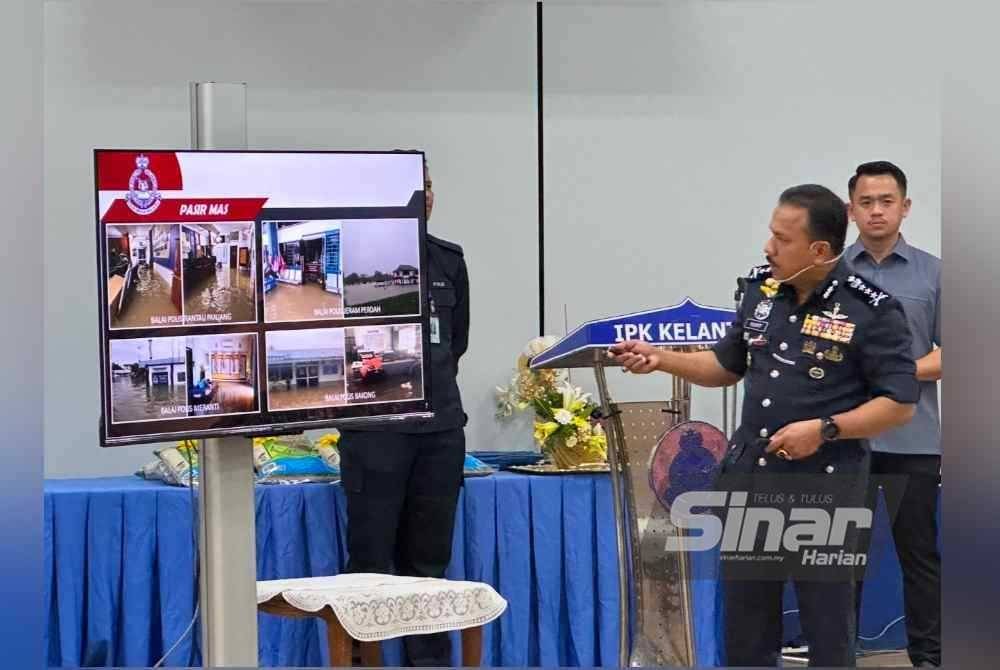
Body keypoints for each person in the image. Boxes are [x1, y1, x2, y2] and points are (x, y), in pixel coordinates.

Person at [608, 184, 919, 667]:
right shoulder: (761, 290)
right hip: (751, 481)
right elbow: (726, 367)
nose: (768, 248)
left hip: (826, 491)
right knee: (747, 628)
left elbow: (899, 404)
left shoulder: (871, 309)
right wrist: (660, 358)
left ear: (818, 250)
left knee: (828, 628)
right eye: (770, 234)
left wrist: (824, 429)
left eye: (781, 238)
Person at [337, 156, 470, 667]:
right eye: (415, 188)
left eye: (431, 185)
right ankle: (360, 661)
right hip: (376, 432)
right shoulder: (350, 261)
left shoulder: (448, 260)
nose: (427, 195)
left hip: (439, 432)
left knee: (428, 565)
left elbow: (454, 344)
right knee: (370, 563)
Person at [846, 161, 941, 667]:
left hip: (915, 440)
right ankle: (838, 652)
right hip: (845, 441)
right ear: (850, 210)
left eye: (887, 201)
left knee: (920, 557)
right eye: (866, 201)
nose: (876, 210)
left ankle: (929, 656)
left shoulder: (935, 272)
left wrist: (894, 376)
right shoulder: (830, 276)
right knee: (842, 560)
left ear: (905, 207)